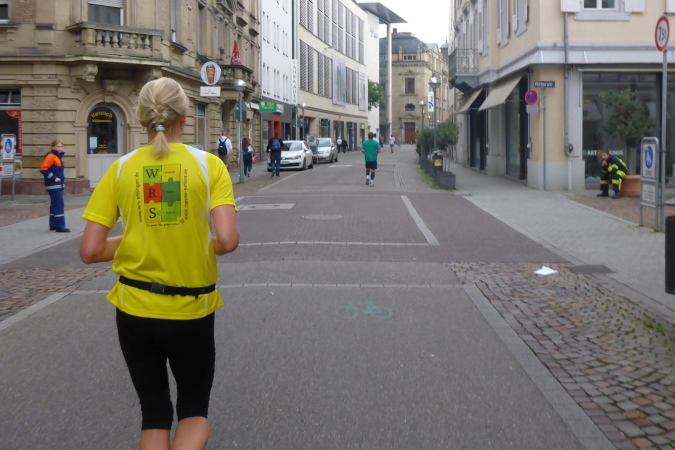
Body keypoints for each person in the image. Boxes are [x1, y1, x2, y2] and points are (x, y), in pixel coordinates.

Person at [79, 77, 239, 450]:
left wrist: (139, 237)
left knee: (153, 414)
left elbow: (90, 250)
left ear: (141, 119)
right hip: (191, 309)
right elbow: (228, 240)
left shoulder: (120, 169)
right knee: (193, 411)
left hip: (134, 310)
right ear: (185, 115)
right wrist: (203, 243)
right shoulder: (209, 166)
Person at [40, 140, 70, 232]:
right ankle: (60, 226)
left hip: (57, 184)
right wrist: (54, 178)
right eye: (58, 146)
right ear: (53, 147)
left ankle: (53, 224)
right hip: (53, 184)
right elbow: (43, 169)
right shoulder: (51, 156)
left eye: (61, 146)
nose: (60, 148)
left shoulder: (59, 157)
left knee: (54, 204)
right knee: (59, 204)